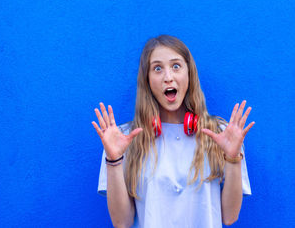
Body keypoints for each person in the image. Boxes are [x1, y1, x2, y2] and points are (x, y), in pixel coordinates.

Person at [92, 35, 255, 228]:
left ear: (189, 74)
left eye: (176, 66)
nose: (168, 77)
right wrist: (113, 161)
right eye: (157, 68)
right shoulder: (124, 139)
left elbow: (230, 216)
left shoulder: (221, 135)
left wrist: (233, 158)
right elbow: (122, 222)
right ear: (147, 79)